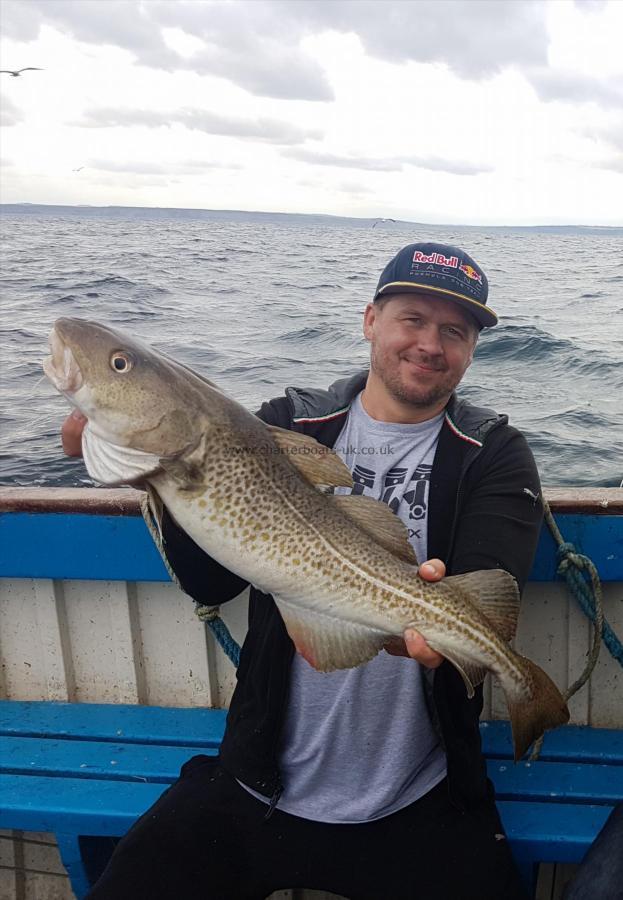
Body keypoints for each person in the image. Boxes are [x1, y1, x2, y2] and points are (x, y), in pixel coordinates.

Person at [62, 242, 543, 900]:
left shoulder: (493, 452)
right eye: (411, 319)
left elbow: (485, 581)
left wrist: (448, 628)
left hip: (423, 794)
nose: (429, 344)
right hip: (257, 782)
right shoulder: (287, 423)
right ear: (370, 318)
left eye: (453, 331)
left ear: (470, 348)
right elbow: (212, 584)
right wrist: (160, 477)